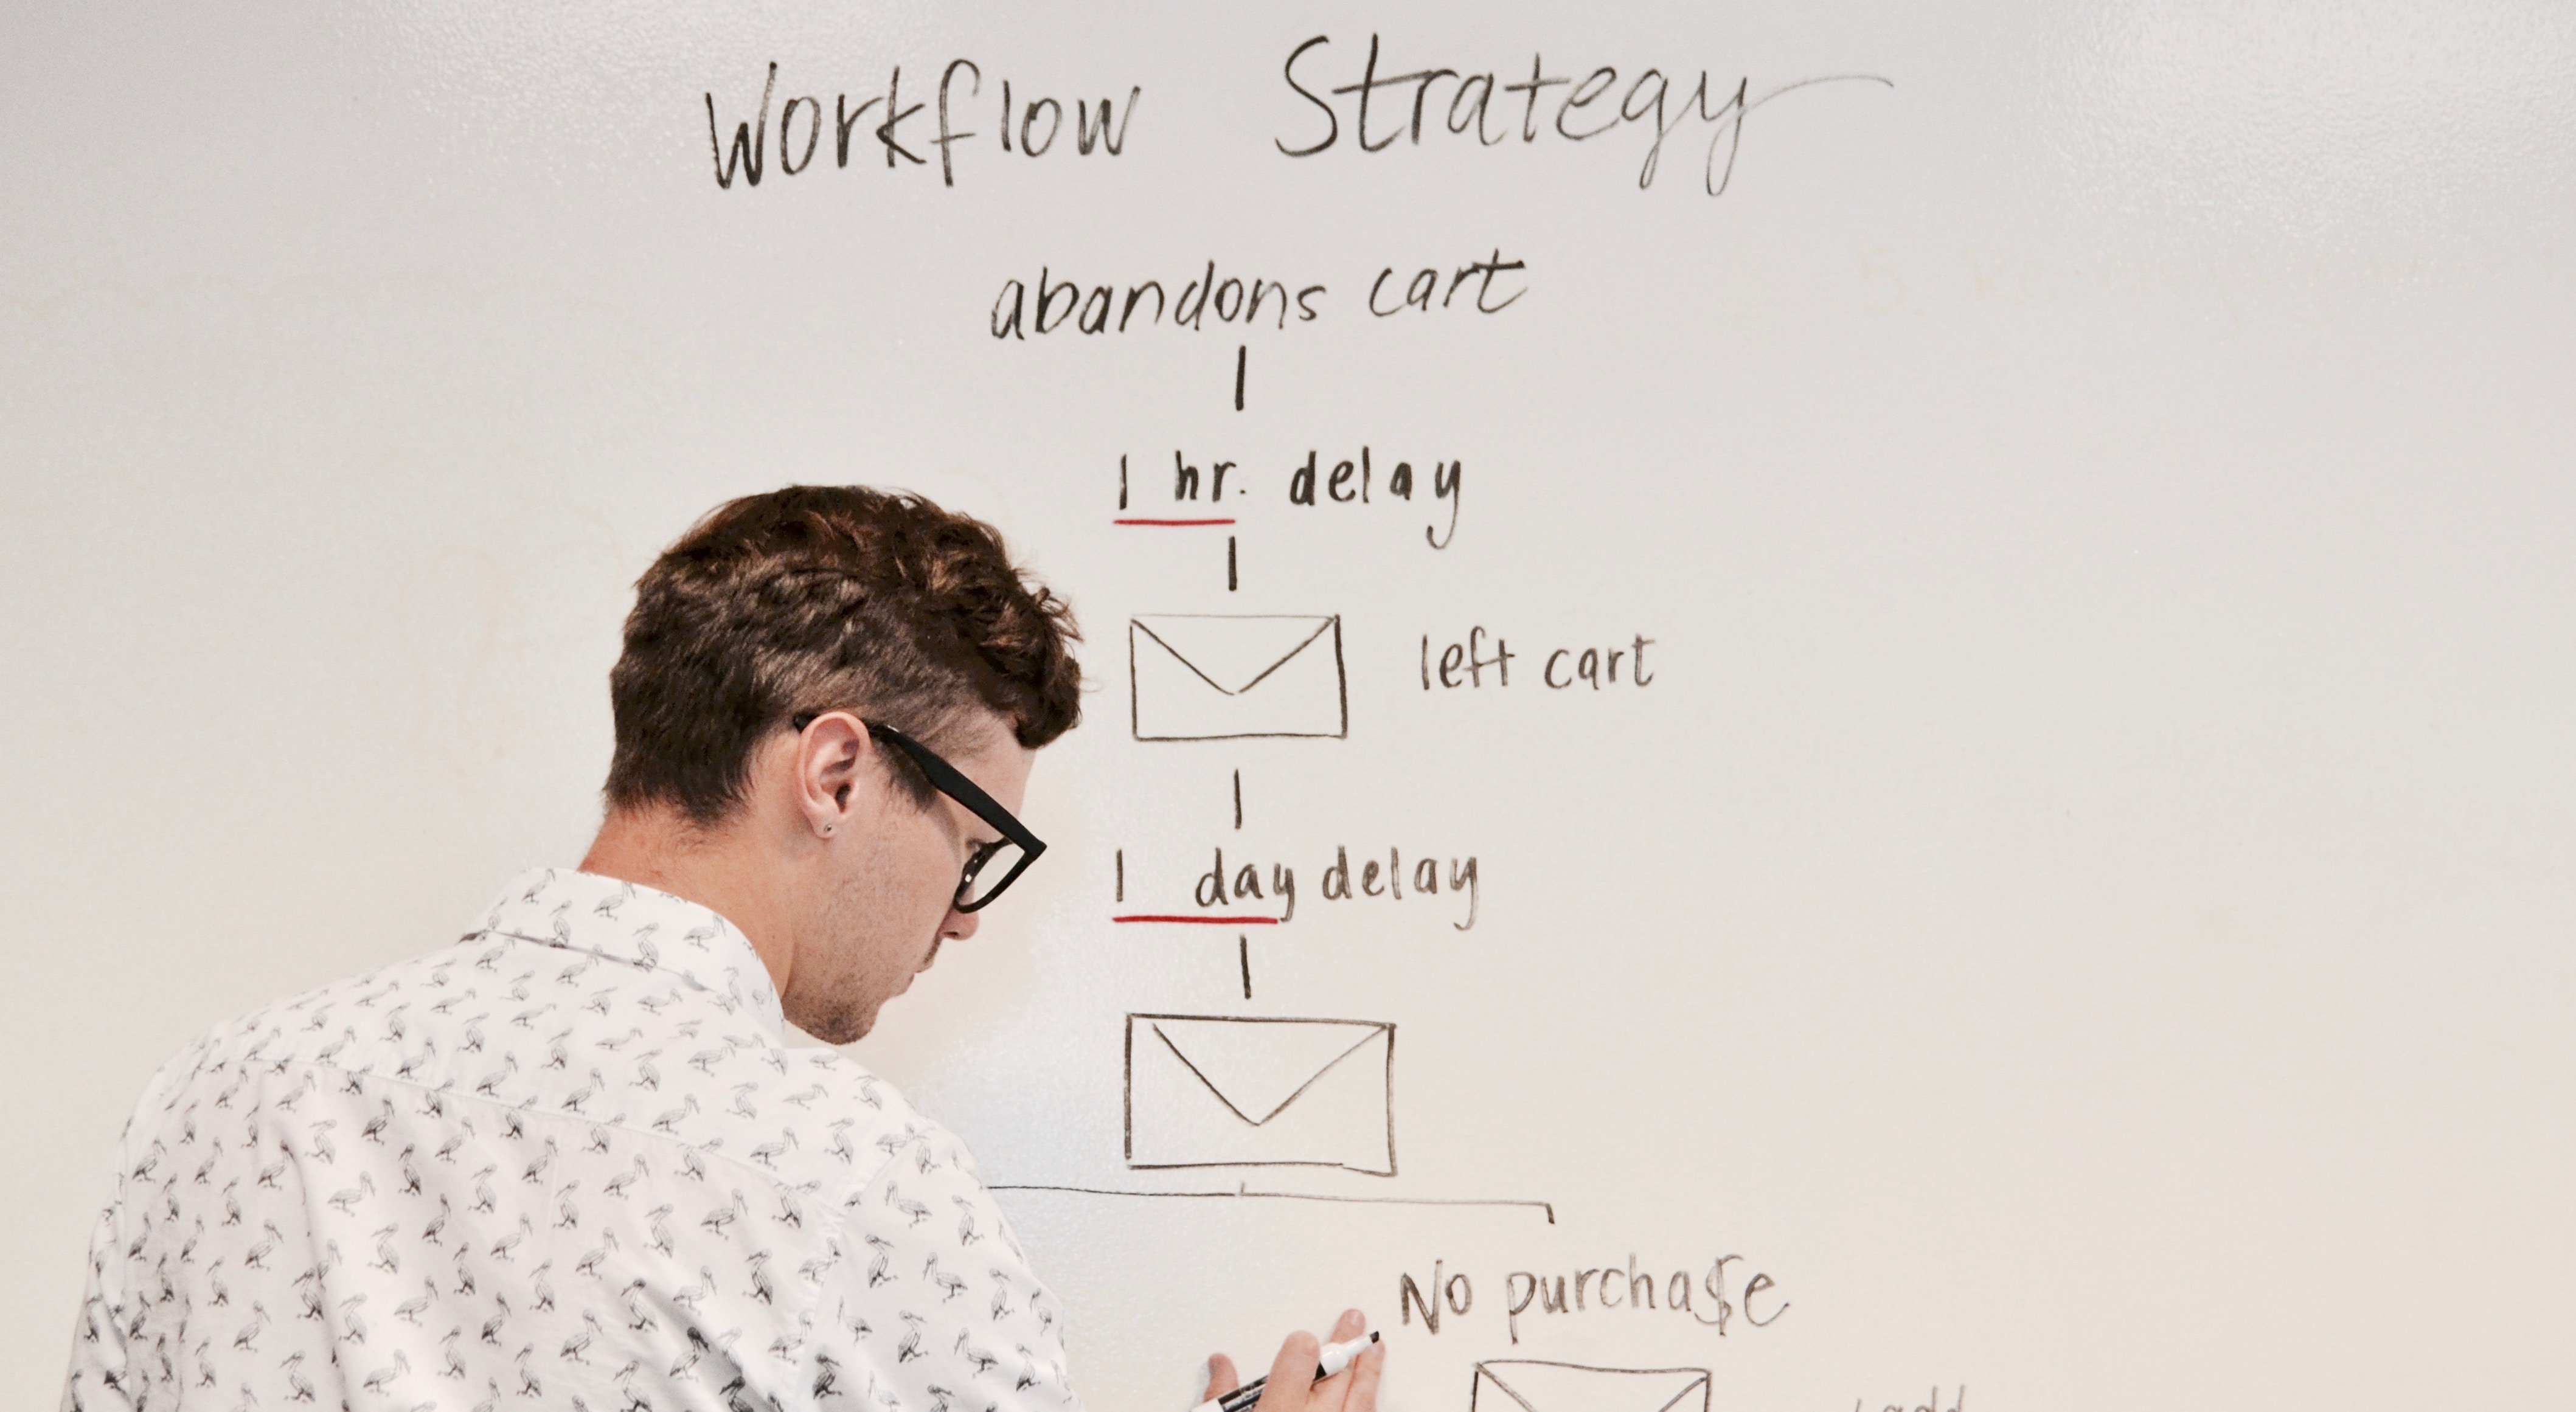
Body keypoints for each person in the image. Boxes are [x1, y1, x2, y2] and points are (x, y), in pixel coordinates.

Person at [62, 486, 1385, 1412]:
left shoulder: (221, 1095)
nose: (966, 912)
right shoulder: (854, 1178)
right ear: (836, 771)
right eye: (974, 846)